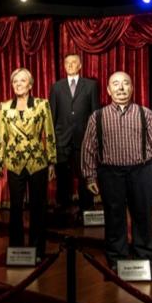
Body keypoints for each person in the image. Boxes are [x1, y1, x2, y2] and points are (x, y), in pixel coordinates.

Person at [81, 71, 152, 269]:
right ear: (109, 90)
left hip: (141, 171)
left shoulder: (146, 114)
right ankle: (116, 259)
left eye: (126, 83)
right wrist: (90, 176)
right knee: (114, 217)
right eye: (116, 84)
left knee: (143, 217)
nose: (121, 88)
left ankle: (145, 259)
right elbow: (88, 148)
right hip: (110, 173)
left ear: (132, 88)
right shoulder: (97, 117)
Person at [0, 68, 57, 258]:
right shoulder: (4, 107)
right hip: (14, 163)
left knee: (38, 207)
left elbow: (49, 133)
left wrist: (52, 161)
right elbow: (1, 136)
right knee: (16, 207)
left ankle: (37, 249)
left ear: (30, 85)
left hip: (37, 162)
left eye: (22, 81)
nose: (18, 84)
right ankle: (17, 249)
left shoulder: (41, 105)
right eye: (15, 81)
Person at [50, 54, 99, 224]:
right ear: (64, 66)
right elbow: (52, 115)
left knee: (84, 175)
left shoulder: (91, 86)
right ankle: (63, 210)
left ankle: (86, 209)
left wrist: (93, 138)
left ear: (80, 65)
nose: (70, 65)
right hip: (62, 140)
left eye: (74, 63)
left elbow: (95, 113)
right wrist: (53, 140)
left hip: (83, 139)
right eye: (67, 63)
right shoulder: (56, 87)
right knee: (63, 177)